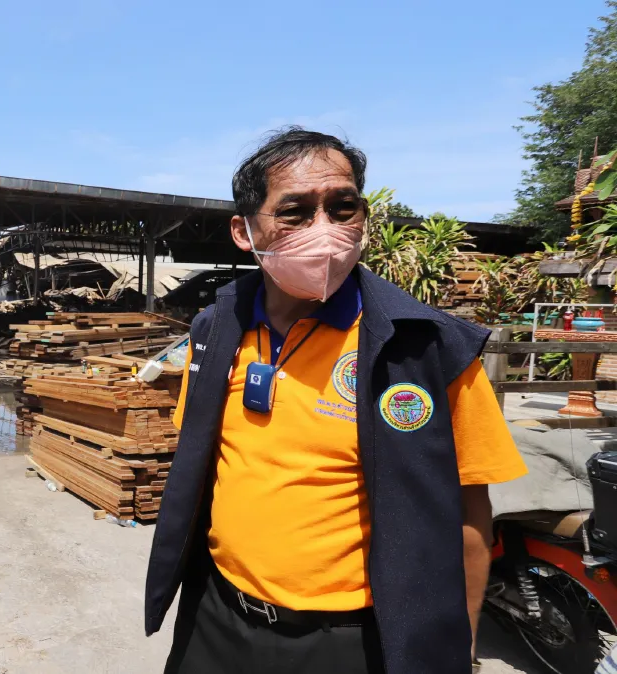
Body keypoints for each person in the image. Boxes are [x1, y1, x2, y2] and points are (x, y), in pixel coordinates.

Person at [146, 127, 527, 674]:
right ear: (244, 230)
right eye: (295, 212)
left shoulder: (425, 348)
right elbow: (203, 463)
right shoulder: (217, 329)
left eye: (342, 208)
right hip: (218, 620)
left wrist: (458, 647)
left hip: (350, 643)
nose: (324, 232)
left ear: (363, 219)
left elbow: (469, 513)